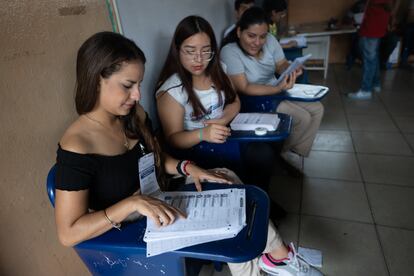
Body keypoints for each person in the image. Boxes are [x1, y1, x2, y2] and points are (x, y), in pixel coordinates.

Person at [156, 15, 322, 276]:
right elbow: (173, 138)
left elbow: (234, 101)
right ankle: (265, 239)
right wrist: (203, 133)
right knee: (243, 177)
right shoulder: (171, 90)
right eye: (190, 51)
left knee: (264, 155)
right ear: (177, 51)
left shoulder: (217, 68)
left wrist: (222, 119)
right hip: (198, 152)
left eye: (205, 51)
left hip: (225, 139)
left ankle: (259, 217)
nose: (199, 59)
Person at [54, 31, 233, 247]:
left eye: (139, 85)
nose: (138, 95)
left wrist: (186, 167)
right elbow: (68, 233)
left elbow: (153, 157)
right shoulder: (78, 145)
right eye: (128, 86)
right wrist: (131, 204)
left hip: (159, 197)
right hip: (130, 231)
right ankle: (272, 258)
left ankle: (272, 256)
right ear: (97, 80)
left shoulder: (133, 114)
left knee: (225, 179)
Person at [220, 7, 324, 170]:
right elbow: (244, 87)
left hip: (276, 91)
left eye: (262, 36)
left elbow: (281, 64)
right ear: (239, 31)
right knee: (302, 118)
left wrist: (291, 69)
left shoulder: (270, 41)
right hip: (253, 100)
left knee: (317, 109)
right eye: (251, 36)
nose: (257, 42)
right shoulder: (229, 51)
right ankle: (278, 156)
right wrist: (278, 89)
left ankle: (285, 152)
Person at [348, 0, 395, 99]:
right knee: (373, 57)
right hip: (375, 25)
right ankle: (375, 83)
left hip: (372, 27)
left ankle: (366, 90)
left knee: (369, 59)